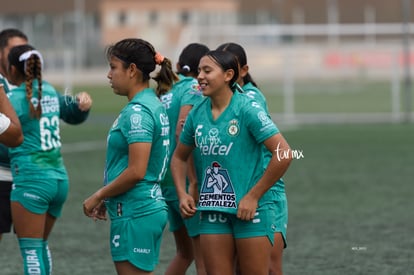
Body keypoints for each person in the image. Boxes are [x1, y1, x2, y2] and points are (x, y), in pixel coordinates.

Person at [170, 50, 292, 275]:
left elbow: (283, 153)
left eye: (207, 71)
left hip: (250, 211)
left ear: (228, 75)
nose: (200, 77)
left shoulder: (247, 108)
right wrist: (183, 193)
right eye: (199, 71)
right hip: (212, 210)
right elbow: (178, 157)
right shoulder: (197, 114)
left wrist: (253, 196)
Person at [82, 38, 177, 275]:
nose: (108, 74)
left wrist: (99, 195)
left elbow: (137, 170)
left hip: (136, 210)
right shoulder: (151, 104)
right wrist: (110, 198)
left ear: (132, 70)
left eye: (113, 67)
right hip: (140, 207)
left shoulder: (139, 112)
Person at [0, 28, 92, 242]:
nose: (23, 52)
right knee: (33, 247)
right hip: (4, 177)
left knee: (34, 245)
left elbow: (64, 109)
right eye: (15, 48)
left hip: (31, 178)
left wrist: (80, 106)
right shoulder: (9, 90)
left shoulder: (35, 87)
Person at [217, 42, 289, 275]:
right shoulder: (217, 100)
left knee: (269, 266)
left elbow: (280, 150)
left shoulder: (250, 100)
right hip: (233, 190)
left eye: (231, 66)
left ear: (243, 71)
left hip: (264, 190)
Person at [7, 44, 75, 274]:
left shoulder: (13, 99)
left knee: (30, 250)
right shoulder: (49, 91)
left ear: (12, 70)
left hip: (31, 179)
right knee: (40, 245)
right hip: (59, 179)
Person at [160, 43, 209, 275]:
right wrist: (193, 180)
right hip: (186, 184)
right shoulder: (192, 87)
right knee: (203, 261)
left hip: (166, 181)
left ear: (179, 65)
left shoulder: (167, 89)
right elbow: (182, 131)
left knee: (184, 253)